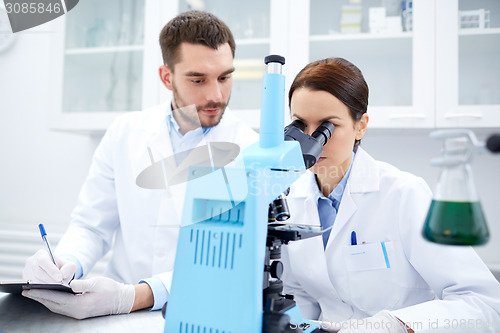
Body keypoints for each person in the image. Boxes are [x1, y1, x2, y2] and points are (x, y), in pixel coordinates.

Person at [22, 10, 258, 319]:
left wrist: (135, 295)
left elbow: (229, 261)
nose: (216, 94)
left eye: (225, 77)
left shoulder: (249, 150)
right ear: (166, 77)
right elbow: (92, 226)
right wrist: (66, 263)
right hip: (113, 314)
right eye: (198, 79)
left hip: (196, 313)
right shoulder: (125, 132)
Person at [280, 57, 500, 333]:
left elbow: (484, 303)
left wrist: (392, 326)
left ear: (361, 126)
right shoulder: (289, 199)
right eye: (301, 125)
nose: (312, 141)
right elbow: (299, 298)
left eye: (328, 127)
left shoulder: (404, 194)